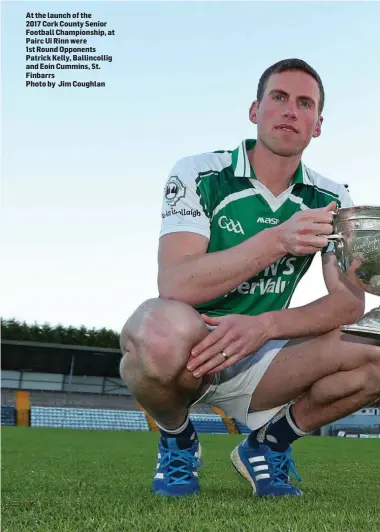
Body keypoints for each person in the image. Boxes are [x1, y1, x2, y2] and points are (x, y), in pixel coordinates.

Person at [119, 58, 380, 498]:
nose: (290, 111)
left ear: (317, 125)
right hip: (191, 349)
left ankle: (267, 446)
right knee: (158, 329)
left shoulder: (332, 197)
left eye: (304, 104)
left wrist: (265, 326)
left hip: (264, 354)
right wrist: (277, 240)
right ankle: (177, 437)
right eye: (278, 98)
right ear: (255, 111)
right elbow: (176, 284)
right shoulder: (200, 172)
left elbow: (348, 304)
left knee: (376, 347)